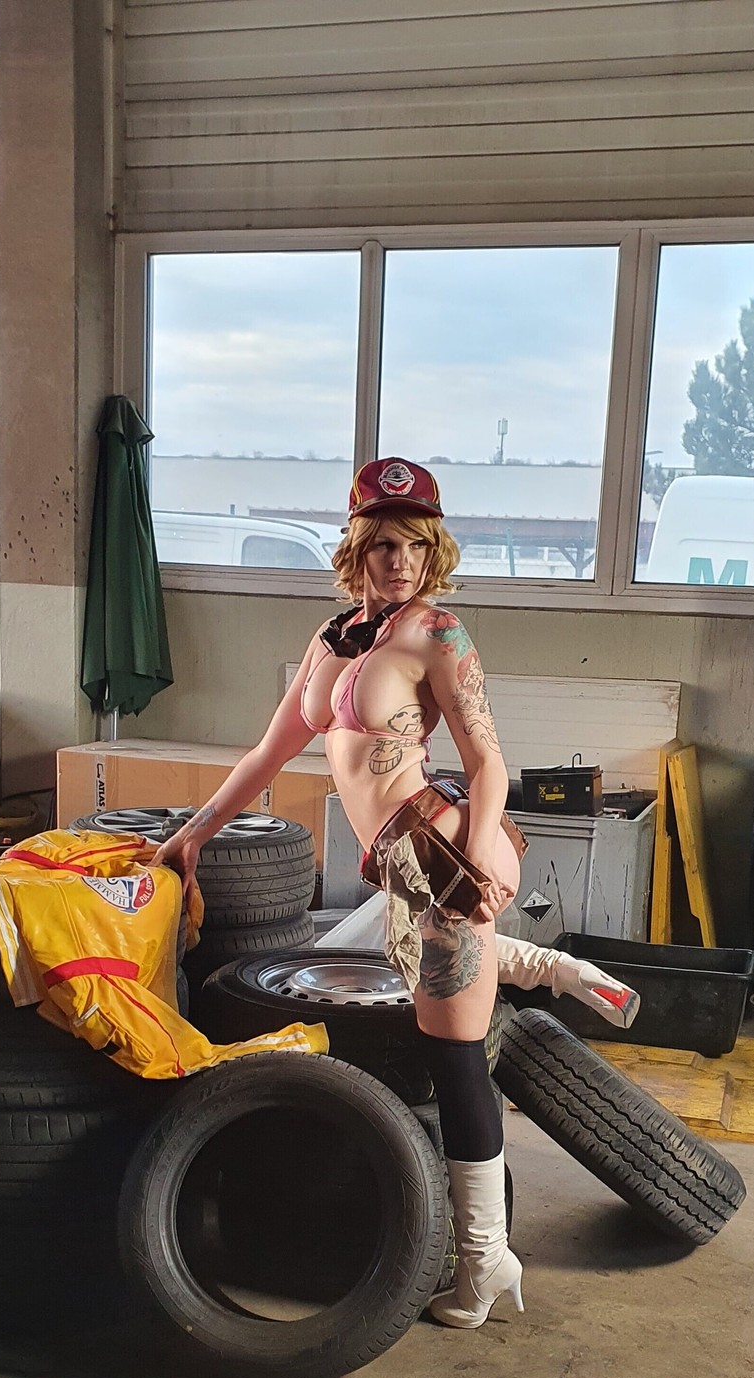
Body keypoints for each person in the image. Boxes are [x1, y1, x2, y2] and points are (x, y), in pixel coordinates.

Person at [152, 457, 528, 1330]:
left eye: (416, 546)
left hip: (440, 852)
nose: (400, 561)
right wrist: (196, 832)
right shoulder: (333, 638)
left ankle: (485, 1263)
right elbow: (269, 751)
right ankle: (548, 969)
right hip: (395, 864)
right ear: (357, 549)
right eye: (384, 544)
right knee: (441, 1020)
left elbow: (488, 763)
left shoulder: (438, 634)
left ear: (433, 553)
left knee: (454, 1053)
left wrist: (473, 863)